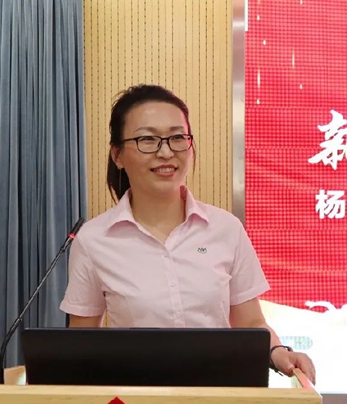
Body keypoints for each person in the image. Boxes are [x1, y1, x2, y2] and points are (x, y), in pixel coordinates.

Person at [60, 84, 315, 382]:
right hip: (136, 403)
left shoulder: (225, 229)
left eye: (177, 138)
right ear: (117, 155)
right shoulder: (94, 240)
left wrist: (278, 353)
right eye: (147, 139)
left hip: (218, 397)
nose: (166, 152)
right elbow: (81, 345)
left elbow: (251, 323)